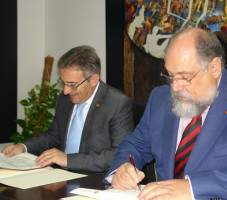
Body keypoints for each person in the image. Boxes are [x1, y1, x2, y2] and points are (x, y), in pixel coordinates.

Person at [103, 28, 227, 199]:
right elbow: (136, 144)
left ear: (214, 68)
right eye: (170, 75)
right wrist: (123, 168)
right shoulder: (160, 98)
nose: (175, 87)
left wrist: (192, 188)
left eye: (185, 77)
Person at [2, 45, 134, 173]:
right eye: (63, 83)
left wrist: (68, 160)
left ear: (93, 80)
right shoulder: (64, 99)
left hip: (95, 180)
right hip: (61, 176)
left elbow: (120, 153)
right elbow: (53, 136)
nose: (66, 91)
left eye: (72, 85)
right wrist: (24, 147)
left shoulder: (117, 104)